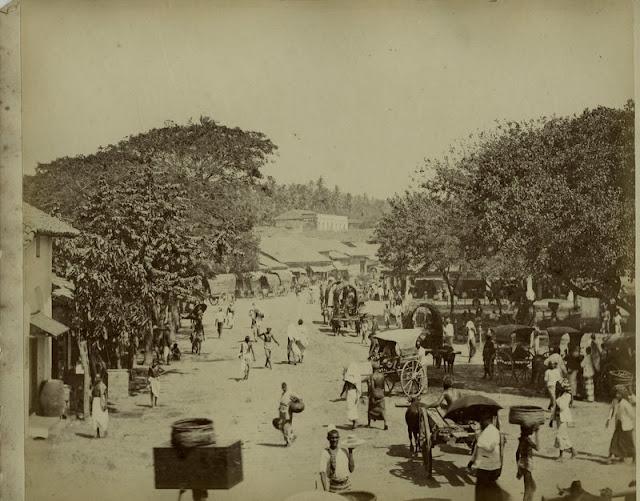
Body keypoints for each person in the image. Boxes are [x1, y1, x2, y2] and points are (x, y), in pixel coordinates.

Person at [468, 412, 503, 501]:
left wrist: (479, 441)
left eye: (482, 420)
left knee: (482, 494)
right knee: (483, 493)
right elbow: (476, 449)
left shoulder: (493, 431)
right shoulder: (485, 431)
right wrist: (471, 462)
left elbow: (490, 447)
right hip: (484, 466)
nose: (481, 423)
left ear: (488, 420)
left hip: (489, 468)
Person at [319, 427, 355, 493]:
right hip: (334, 487)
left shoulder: (344, 451)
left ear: (338, 438)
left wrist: (350, 452)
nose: (334, 440)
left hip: (347, 485)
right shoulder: (325, 453)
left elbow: (351, 469)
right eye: (332, 438)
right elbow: (322, 473)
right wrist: (325, 490)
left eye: (336, 437)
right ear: (328, 438)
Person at [606, 385, 635, 463]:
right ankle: (610, 457)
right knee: (615, 440)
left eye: (618, 394)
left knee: (628, 442)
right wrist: (608, 419)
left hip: (627, 425)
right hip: (619, 424)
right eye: (616, 393)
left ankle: (634, 457)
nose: (617, 395)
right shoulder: (614, 401)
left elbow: (632, 414)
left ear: (622, 395)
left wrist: (631, 422)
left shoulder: (625, 403)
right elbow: (611, 409)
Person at [551, 379, 576, 461]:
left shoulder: (567, 395)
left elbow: (562, 406)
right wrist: (551, 419)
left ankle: (561, 455)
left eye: (558, 386)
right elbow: (555, 409)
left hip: (563, 418)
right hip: (558, 418)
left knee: (560, 436)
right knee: (564, 436)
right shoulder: (560, 395)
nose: (556, 388)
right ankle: (573, 451)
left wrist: (557, 399)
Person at [516, 425, 539, 501]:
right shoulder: (527, 440)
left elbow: (516, 453)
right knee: (528, 489)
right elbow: (538, 448)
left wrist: (519, 468)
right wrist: (537, 433)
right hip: (527, 464)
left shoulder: (522, 439)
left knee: (533, 487)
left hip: (522, 463)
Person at [367, 362, 388, 430]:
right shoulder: (382, 375)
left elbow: (372, 387)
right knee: (383, 409)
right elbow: (383, 386)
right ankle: (385, 423)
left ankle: (369, 423)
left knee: (370, 409)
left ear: (373, 369)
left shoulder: (372, 376)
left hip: (375, 394)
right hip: (381, 394)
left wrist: (372, 396)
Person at [91, 374, 109, 438]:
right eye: (96, 377)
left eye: (98, 377)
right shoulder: (94, 386)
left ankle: (105, 431)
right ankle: (97, 433)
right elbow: (92, 394)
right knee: (95, 417)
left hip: (101, 401)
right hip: (95, 402)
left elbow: (106, 395)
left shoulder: (103, 386)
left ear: (100, 378)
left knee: (102, 417)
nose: (97, 379)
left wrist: (105, 403)